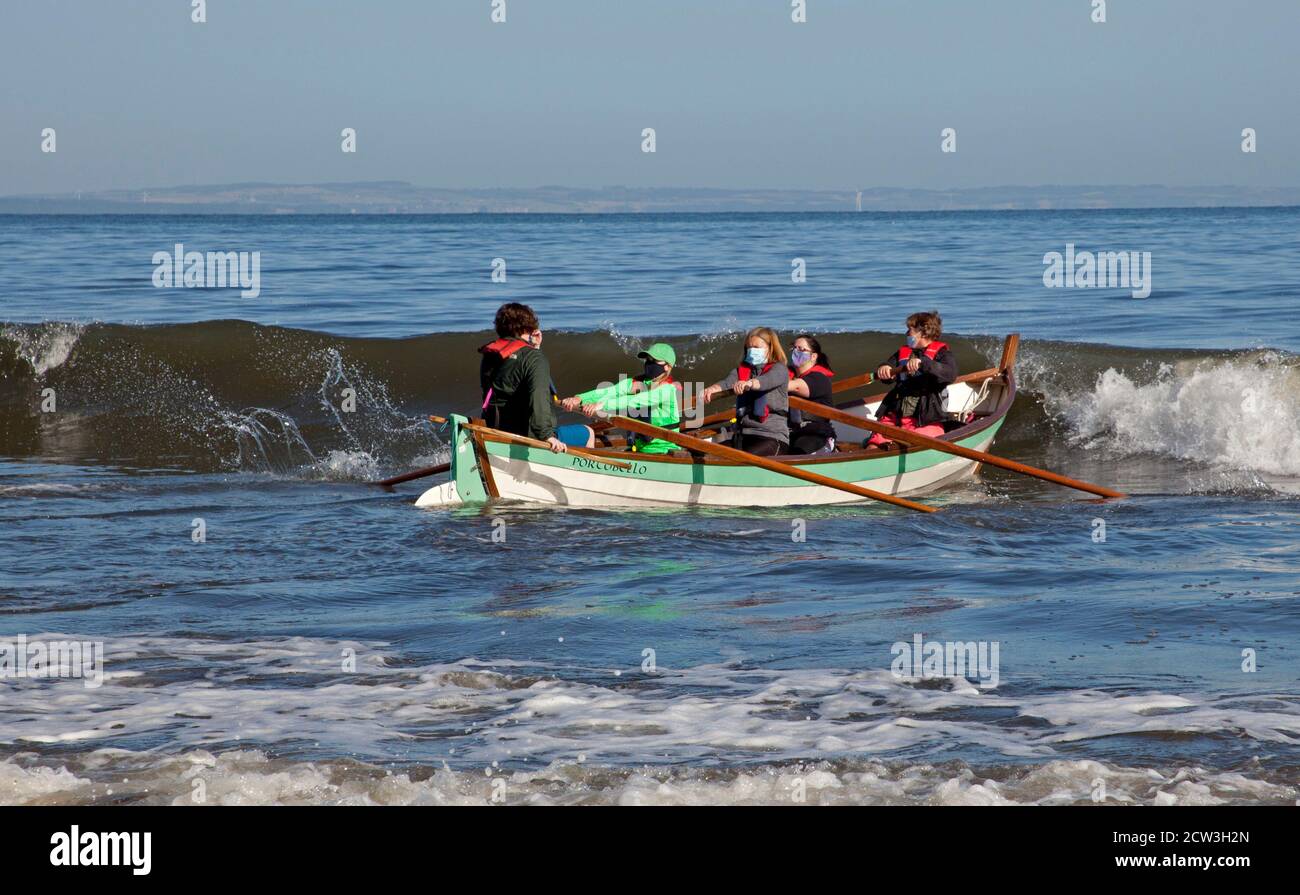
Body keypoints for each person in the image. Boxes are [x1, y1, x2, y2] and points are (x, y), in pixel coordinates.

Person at [478, 302, 577, 453]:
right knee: (588, 433)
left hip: (496, 431)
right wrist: (547, 436)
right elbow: (538, 397)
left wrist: (534, 349)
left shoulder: (491, 355)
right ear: (528, 328)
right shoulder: (533, 358)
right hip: (528, 437)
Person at [558, 343, 681, 453]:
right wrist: (579, 399)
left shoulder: (667, 390)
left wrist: (602, 405)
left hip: (664, 449)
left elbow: (634, 401)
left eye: (654, 360)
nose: (649, 363)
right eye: (647, 360)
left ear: (667, 367)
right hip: (640, 448)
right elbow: (608, 391)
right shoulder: (635, 383)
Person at [865, 311, 958, 448]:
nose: (907, 334)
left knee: (911, 445)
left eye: (910, 330)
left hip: (925, 420)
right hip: (895, 417)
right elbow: (889, 367)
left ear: (924, 333)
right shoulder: (903, 352)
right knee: (873, 445)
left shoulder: (942, 353)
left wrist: (924, 364)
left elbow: (951, 374)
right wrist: (884, 368)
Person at [699, 327, 790, 456]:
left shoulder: (779, 369)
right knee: (704, 454)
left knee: (739, 458)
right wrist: (712, 389)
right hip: (742, 436)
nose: (752, 351)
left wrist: (749, 383)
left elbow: (766, 381)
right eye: (749, 347)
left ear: (771, 348)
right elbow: (726, 383)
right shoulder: (741, 371)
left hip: (771, 437)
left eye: (757, 347)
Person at [787, 335, 837, 455]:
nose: (796, 351)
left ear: (813, 356)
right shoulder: (788, 375)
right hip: (792, 430)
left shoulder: (819, 378)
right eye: (794, 348)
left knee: (798, 451)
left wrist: (764, 382)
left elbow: (796, 386)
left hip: (816, 433)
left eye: (801, 349)